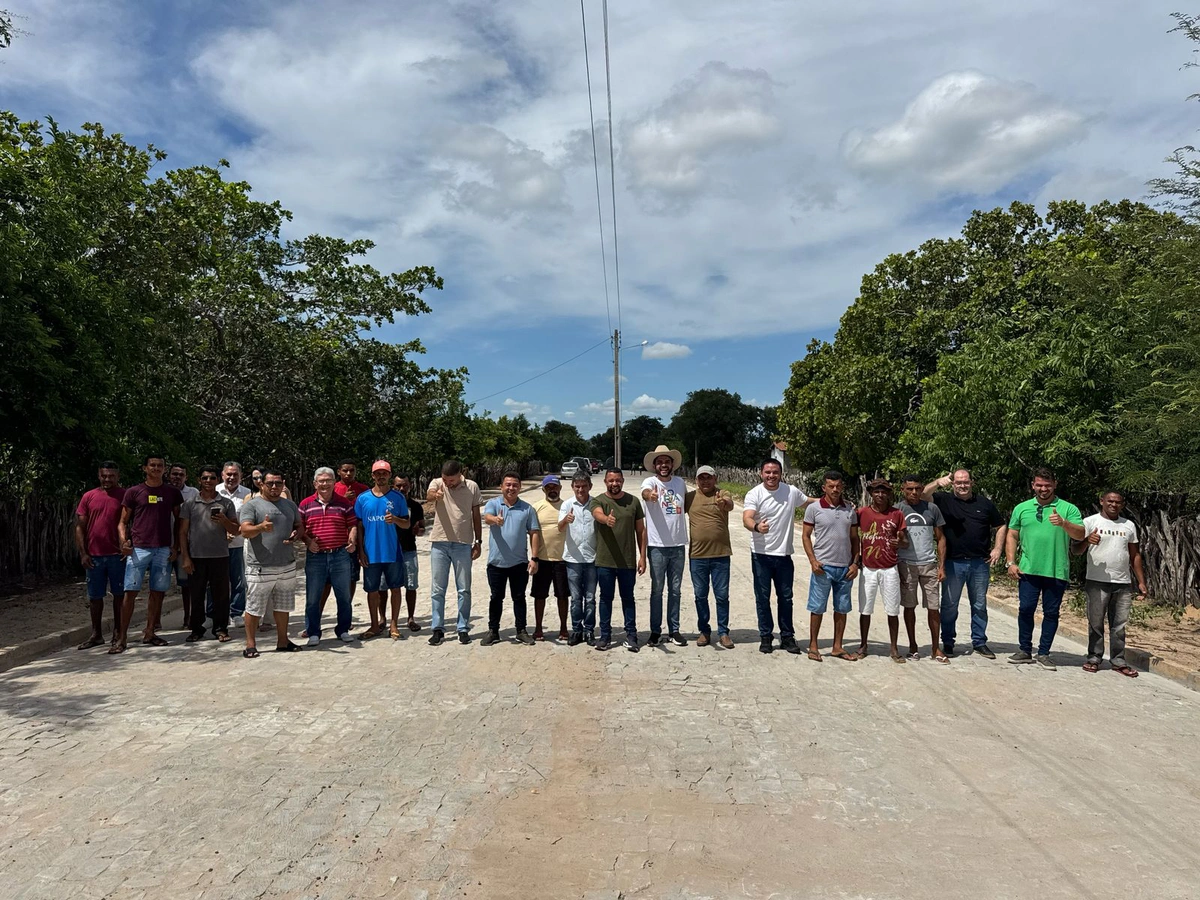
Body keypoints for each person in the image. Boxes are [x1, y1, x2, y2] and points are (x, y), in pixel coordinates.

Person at [1005, 467, 1085, 669]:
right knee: (1025, 609)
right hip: (1028, 569)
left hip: (1056, 570)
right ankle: (1024, 649)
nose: (1043, 489)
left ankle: (1044, 653)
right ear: (1033, 485)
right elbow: (1012, 534)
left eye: (1047, 485)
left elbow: (1080, 535)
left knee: (1051, 613)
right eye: (1039, 485)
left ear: (1055, 485)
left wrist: (1064, 523)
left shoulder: (1068, 509)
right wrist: (1011, 562)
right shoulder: (1021, 508)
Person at [923, 469, 1007, 659]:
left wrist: (998, 549)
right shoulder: (943, 500)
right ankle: (948, 642)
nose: (962, 485)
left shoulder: (984, 503)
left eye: (965, 482)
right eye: (958, 482)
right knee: (950, 605)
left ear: (972, 482)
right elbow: (923, 495)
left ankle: (979, 642)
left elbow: (1001, 525)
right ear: (953, 484)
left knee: (979, 604)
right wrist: (937, 481)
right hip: (953, 563)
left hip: (979, 563)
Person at [111, 455, 183, 654]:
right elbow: (122, 521)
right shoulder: (134, 492)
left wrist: (176, 546)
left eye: (160, 465)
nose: (156, 468)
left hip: (162, 548)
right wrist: (123, 542)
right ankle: (122, 637)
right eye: (152, 465)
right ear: (145, 468)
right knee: (130, 592)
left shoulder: (172, 492)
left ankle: (150, 631)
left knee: (158, 592)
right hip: (139, 549)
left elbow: (180, 521)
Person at [1074, 490, 1147, 677]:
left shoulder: (1129, 525)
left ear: (1122, 504)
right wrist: (1087, 541)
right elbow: (1075, 550)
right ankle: (1094, 658)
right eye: (1110, 501)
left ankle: (1118, 660)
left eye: (1118, 502)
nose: (1113, 505)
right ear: (1102, 501)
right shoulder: (1090, 522)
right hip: (1096, 581)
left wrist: (1141, 582)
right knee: (1096, 622)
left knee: (1119, 625)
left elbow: (1135, 555)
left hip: (1122, 582)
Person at [743, 458, 810, 654]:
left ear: (781, 474)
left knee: (786, 598)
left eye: (775, 472)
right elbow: (746, 517)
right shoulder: (754, 493)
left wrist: (834, 502)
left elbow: (808, 502)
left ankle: (787, 637)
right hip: (761, 555)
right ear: (761, 473)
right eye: (767, 472)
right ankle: (766, 636)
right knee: (762, 598)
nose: (771, 476)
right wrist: (756, 526)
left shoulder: (791, 491)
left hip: (784, 555)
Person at [238, 468, 306, 658]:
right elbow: (244, 531)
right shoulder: (251, 506)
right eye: (270, 483)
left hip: (287, 564)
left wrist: (296, 534)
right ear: (262, 484)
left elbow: (299, 526)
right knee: (254, 607)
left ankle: (283, 641)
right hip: (260, 566)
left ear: (283, 484)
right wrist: (260, 527)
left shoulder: (290, 505)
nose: (274, 487)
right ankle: (250, 644)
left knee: (284, 606)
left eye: (278, 483)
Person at [802, 470, 860, 661]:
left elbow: (854, 538)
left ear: (842, 487)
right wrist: (812, 560)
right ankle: (813, 646)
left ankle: (837, 647)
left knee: (842, 608)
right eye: (831, 486)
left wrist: (855, 563)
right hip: (823, 567)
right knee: (817, 607)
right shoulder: (814, 508)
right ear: (824, 488)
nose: (835, 490)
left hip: (845, 568)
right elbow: (805, 535)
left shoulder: (849, 510)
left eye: (838, 486)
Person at [425, 460, 484, 646]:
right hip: (439, 543)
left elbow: (476, 516)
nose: (448, 483)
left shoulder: (472, 487)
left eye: (451, 480)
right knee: (437, 589)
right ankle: (437, 628)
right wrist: (436, 495)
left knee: (464, 588)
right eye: (445, 479)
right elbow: (428, 495)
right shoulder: (437, 483)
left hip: (463, 544)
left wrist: (478, 542)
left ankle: (463, 628)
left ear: (461, 474)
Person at [178, 466, 239, 642]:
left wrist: (224, 521)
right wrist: (185, 557)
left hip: (220, 555)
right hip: (196, 556)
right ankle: (196, 629)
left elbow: (236, 530)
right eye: (205, 478)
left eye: (212, 478)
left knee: (221, 595)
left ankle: (221, 629)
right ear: (199, 480)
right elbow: (183, 532)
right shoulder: (190, 504)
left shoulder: (226, 503)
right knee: (196, 595)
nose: (208, 481)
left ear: (216, 480)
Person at [299, 467, 359, 645]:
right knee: (313, 597)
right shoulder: (305, 504)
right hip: (316, 557)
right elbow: (300, 528)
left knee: (344, 597)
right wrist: (308, 542)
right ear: (315, 483)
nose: (325, 484)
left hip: (340, 555)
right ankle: (313, 632)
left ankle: (343, 629)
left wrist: (352, 540)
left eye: (328, 480)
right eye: (321, 481)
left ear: (334, 482)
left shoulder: (344, 503)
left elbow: (352, 525)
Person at [480, 472, 541, 646]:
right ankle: (493, 631)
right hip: (496, 563)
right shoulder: (493, 504)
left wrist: (534, 558)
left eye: (515, 485)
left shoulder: (527, 509)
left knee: (519, 597)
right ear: (501, 486)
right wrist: (495, 519)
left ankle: (521, 630)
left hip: (519, 563)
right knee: (496, 597)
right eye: (508, 484)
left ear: (520, 487)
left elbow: (534, 533)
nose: (511, 488)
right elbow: (487, 517)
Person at [591, 468, 647, 652]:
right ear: (605, 482)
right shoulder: (599, 500)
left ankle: (631, 635)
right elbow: (596, 513)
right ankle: (605, 636)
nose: (614, 484)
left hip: (627, 561)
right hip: (605, 561)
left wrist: (642, 557)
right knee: (605, 599)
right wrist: (606, 519)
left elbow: (640, 531)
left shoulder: (633, 502)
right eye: (611, 481)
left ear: (623, 481)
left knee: (628, 598)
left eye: (617, 480)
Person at [74, 461, 127, 650]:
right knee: (95, 597)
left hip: (117, 556)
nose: (107, 479)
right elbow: (80, 527)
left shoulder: (125, 496)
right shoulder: (89, 496)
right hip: (94, 556)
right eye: (104, 475)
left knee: (120, 595)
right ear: (99, 475)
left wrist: (128, 548)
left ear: (117, 476)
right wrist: (83, 553)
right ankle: (96, 634)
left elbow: (132, 523)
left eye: (111, 476)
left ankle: (118, 633)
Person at [354, 460, 409, 640]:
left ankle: (394, 624)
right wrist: (360, 550)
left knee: (395, 588)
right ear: (372, 476)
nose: (381, 476)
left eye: (384, 473)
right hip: (371, 553)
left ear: (389, 475)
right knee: (372, 590)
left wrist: (395, 519)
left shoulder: (398, 498)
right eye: (377, 473)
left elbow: (407, 523)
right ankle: (374, 625)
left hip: (392, 552)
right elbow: (359, 526)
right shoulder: (363, 498)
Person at [640, 445, 688, 646]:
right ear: (654, 465)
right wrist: (649, 496)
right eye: (660, 462)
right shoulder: (650, 481)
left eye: (667, 462)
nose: (663, 465)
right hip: (657, 545)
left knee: (675, 590)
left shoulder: (680, 483)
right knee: (657, 590)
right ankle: (655, 630)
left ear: (672, 464)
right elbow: (645, 492)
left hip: (678, 544)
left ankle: (674, 629)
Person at [855, 479, 909, 662]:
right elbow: (852, 536)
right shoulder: (862, 513)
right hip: (868, 568)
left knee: (893, 610)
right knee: (865, 609)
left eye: (884, 492)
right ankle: (863, 645)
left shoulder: (897, 514)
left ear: (889, 494)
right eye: (877, 492)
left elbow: (905, 541)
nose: (880, 495)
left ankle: (894, 648)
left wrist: (900, 543)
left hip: (890, 568)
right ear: (871, 493)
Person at [897, 475, 949, 663]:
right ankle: (913, 647)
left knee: (934, 608)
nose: (914, 492)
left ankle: (936, 648)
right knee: (909, 606)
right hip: (906, 565)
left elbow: (941, 538)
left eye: (918, 489)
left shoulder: (932, 509)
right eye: (910, 489)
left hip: (929, 565)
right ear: (903, 489)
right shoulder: (898, 510)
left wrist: (941, 566)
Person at [686, 465, 735, 649]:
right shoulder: (689, 497)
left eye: (709, 477)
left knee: (722, 595)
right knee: (700, 595)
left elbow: (729, 504)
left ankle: (723, 632)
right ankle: (704, 631)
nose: (705, 481)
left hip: (720, 555)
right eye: (701, 478)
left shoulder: (723, 493)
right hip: (697, 556)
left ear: (715, 479)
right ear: (697, 480)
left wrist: (724, 503)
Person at [558, 471, 598, 645]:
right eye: (577, 486)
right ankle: (576, 630)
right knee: (575, 598)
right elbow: (559, 528)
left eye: (583, 486)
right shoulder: (567, 505)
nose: (580, 489)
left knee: (590, 597)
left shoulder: (596, 504)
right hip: (573, 559)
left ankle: (589, 630)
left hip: (592, 558)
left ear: (590, 486)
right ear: (572, 487)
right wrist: (566, 520)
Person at [531, 475, 570, 641]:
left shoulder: (567, 507)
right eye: (549, 487)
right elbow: (531, 532)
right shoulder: (536, 508)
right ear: (543, 489)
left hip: (563, 559)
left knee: (562, 596)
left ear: (560, 488)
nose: (552, 490)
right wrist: (533, 558)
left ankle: (563, 628)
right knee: (539, 596)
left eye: (555, 487)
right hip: (542, 559)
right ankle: (539, 628)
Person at [217, 462, 251, 626]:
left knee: (238, 581)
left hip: (238, 544)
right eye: (228, 474)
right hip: (215, 546)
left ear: (241, 476)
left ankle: (236, 613)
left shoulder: (247, 494)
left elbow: (249, 518)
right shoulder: (214, 492)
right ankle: (214, 613)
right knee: (215, 581)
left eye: (235, 474)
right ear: (222, 475)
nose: (231, 478)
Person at [167, 464, 200, 632]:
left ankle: (188, 616)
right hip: (163, 544)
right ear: (169, 475)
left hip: (184, 545)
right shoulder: (161, 491)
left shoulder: (193, 493)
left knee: (186, 584)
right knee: (158, 585)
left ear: (186, 477)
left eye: (181, 474)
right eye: (174, 474)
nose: (177, 477)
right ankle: (156, 622)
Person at [393, 474, 426, 632]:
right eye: (398, 485)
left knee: (411, 585)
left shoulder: (416, 506)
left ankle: (411, 617)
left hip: (408, 550)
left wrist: (418, 530)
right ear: (393, 486)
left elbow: (422, 528)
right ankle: (383, 619)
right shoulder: (388, 504)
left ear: (410, 486)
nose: (401, 489)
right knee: (384, 586)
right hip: (389, 550)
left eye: (404, 485)